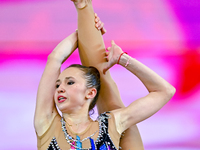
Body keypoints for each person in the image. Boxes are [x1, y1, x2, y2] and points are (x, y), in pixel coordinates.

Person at [34, 1, 176, 150]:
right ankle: (84, 5)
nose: (59, 89)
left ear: (90, 92)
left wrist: (123, 59)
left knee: (107, 89)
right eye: (57, 85)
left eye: (69, 83)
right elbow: (55, 58)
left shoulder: (113, 124)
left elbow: (165, 91)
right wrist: (86, 27)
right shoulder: (47, 124)